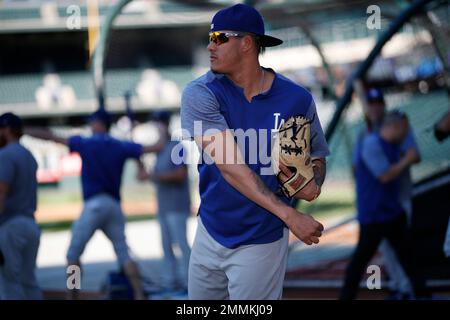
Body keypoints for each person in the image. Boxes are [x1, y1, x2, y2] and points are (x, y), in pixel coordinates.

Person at [180, 4, 329, 300]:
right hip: (211, 230)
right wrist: (291, 215)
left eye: (220, 38)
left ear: (247, 43)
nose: (210, 46)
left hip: (262, 239)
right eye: (210, 38)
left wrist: (313, 183)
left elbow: (318, 159)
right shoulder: (200, 93)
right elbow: (230, 167)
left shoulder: (296, 99)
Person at [26, 108, 164, 300]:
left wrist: (24, 130)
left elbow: (52, 137)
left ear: (99, 123)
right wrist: (162, 129)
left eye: (92, 121)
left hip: (94, 205)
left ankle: (72, 295)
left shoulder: (87, 143)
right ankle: (139, 294)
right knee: (124, 254)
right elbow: (156, 147)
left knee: (72, 255)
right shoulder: (120, 145)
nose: (90, 125)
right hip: (114, 205)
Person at [340, 111, 429, 300]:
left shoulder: (393, 143)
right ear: (395, 127)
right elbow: (385, 175)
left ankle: (422, 294)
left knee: (408, 257)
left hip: (392, 212)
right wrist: (407, 159)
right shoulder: (372, 144)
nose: (407, 132)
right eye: (405, 128)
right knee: (360, 260)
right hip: (374, 215)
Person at [352, 87, 421, 298]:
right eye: (370, 103)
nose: (374, 107)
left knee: (402, 250)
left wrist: (394, 165)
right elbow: (357, 167)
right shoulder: (364, 133)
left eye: (377, 103)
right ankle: (401, 287)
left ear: (383, 105)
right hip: (375, 204)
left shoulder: (398, 127)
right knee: (387, 250)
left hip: (398, 197)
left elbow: (414, 155)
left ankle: (409, 289)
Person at [138, 111, 191, 292]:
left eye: (159, 123)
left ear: (165, 124)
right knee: (166, 246)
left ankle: (190, 282)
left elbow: (180, 174)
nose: (157, 127)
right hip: (164, 205)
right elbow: (145, 175)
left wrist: (152, 175)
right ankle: (171, 282)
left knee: (181, 245)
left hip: (177, 205)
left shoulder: (176, 146)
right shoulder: (159, 150)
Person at [0, 112, 42, 300]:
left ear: (7, 130)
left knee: (10, 283)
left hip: (11, 226)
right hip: (30, 224)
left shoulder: (5, 155)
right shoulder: (29, 155)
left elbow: (1, 192)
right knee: (28, 281)